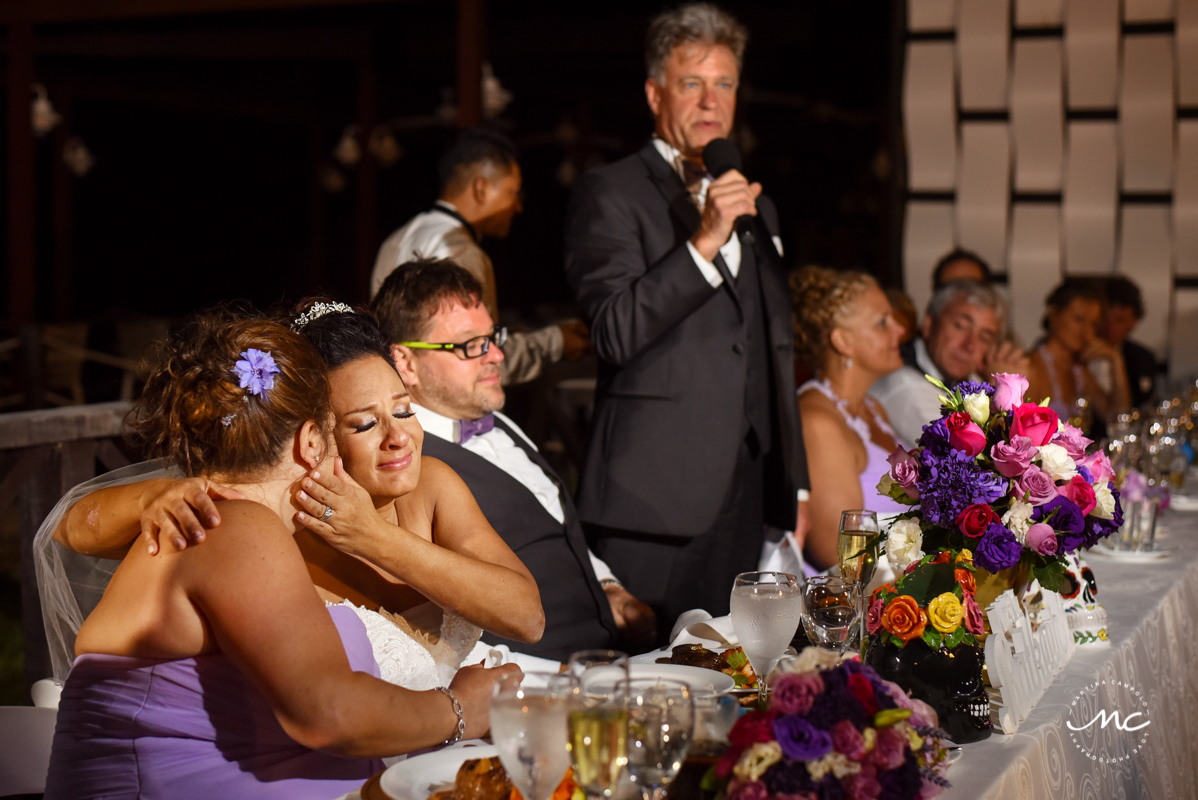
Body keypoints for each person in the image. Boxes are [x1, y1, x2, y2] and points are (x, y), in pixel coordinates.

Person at [40, 310, 518, 800]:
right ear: (312, 441)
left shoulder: (217, 519)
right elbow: (327, 711)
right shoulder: (234, 526)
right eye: (354, 426)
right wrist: (459, 707)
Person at [562, 3, 808, 636]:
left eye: (723, 83)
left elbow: (773, 348)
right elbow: (614, 330)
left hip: (747, 494)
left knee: (728, 676)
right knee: (642, 687)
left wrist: (794, 483)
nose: (710, 101)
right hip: (652, 498)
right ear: (654, 93)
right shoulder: (611, 193)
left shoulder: (759, 205)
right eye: (691, 83)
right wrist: (703, 241)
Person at [373, 259, 656, 657]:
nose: (496, 356)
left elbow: (555, 527)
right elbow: (428, 629)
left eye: (493, 337)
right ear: (405, 363)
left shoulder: (502, 424)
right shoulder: (402, 466)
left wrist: (608, 585)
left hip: (610, 654)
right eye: (470, 345)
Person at [371, 127, 589, 385]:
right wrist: (555, 342)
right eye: (513, 193)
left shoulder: (397, 238)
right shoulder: (464, 253)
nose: (518, 207)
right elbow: (480, 357)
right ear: (481, 188)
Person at [791, 268, 909, 570]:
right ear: (843, 341)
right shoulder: (817, 422)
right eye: (883, 322)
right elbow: (842, 557)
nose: (899, 330)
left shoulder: (874, 409)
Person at [871, 280, 1027, 446]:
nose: (970, 345)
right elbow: (962, 456)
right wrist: (1003, 394)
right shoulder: (903, 387)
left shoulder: (969, 377)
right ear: (929, 324)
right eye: (960, 326)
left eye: (984, 337)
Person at [1026, 278, 1131, 427]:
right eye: (1079, 319)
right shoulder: (1032, 367)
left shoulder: (1078, 370)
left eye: (1093, 324)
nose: (1086, 331)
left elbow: (1118, 419)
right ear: (1053, 313)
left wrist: (1116, 362)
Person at [1101, 275, 1158, 407]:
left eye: (1120, 320)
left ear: (1132, 323)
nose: (1110, 326)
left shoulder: (1142, 359)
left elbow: (1141, 407)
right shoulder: (1078, 356)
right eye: (1105, 318)